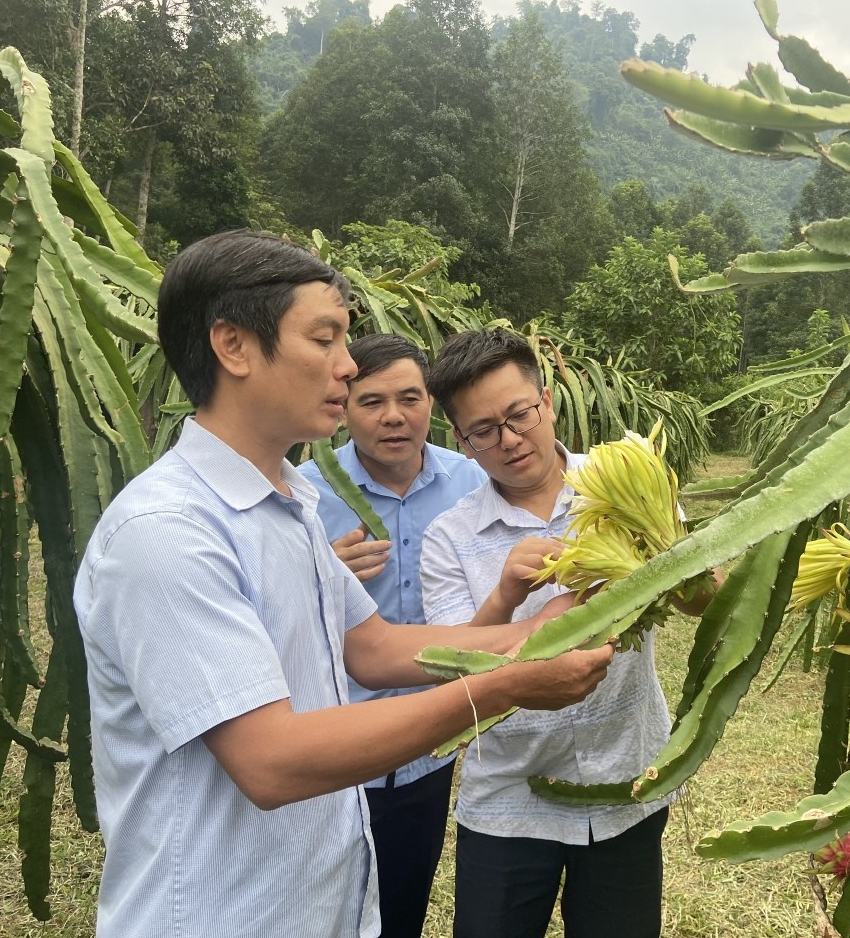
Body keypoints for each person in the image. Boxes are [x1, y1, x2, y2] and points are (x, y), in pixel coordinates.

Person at [73, 231, 613, 938]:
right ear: (233, 346)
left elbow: (375, 648)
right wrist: (507, 682)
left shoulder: (289, 500)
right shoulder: (167, 532)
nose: (347, 365)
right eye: (324, 338)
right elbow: (271, 760)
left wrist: (541, 632)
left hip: (317, 901)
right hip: (219, 915)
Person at [421, 328, 675, 938]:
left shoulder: (623, 483)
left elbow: (694, 594)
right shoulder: (449, 537)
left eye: (520, 414)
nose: (509, 440)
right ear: (461, 440)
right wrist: (508, 594)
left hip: (626, 782)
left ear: (548, 401)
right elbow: (451, 671)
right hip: (508, 801)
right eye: (483, 431)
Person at [301, 333, 487, 938]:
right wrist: (315, 576)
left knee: (402, 904)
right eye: (372, 401)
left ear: (432, 403)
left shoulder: (475, 483)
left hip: (426, 745)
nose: (393, 416)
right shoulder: (303, 495)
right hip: (332, 743)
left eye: (409, 397)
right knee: (320, 911)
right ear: (342, 409)